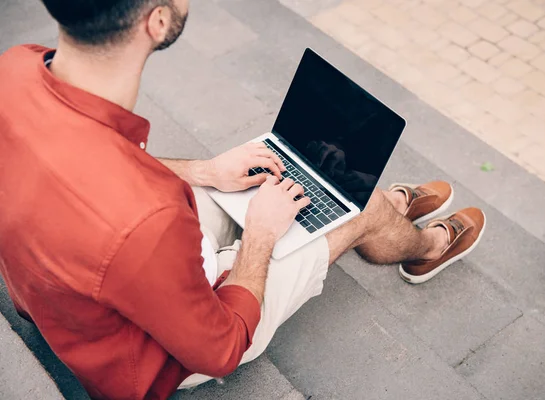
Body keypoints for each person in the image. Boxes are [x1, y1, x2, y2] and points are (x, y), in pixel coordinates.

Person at [0, 0, 486, 398]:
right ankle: (418, 245)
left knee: (263, 183)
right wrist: (260, 235)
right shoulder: (147, 221)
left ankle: (374, 218)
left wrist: (204, 172)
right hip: (148, 356)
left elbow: (96, 159)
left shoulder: (14, 71)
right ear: (158, 21)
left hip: (76, 287)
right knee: (363, 209)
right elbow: (221, 347)